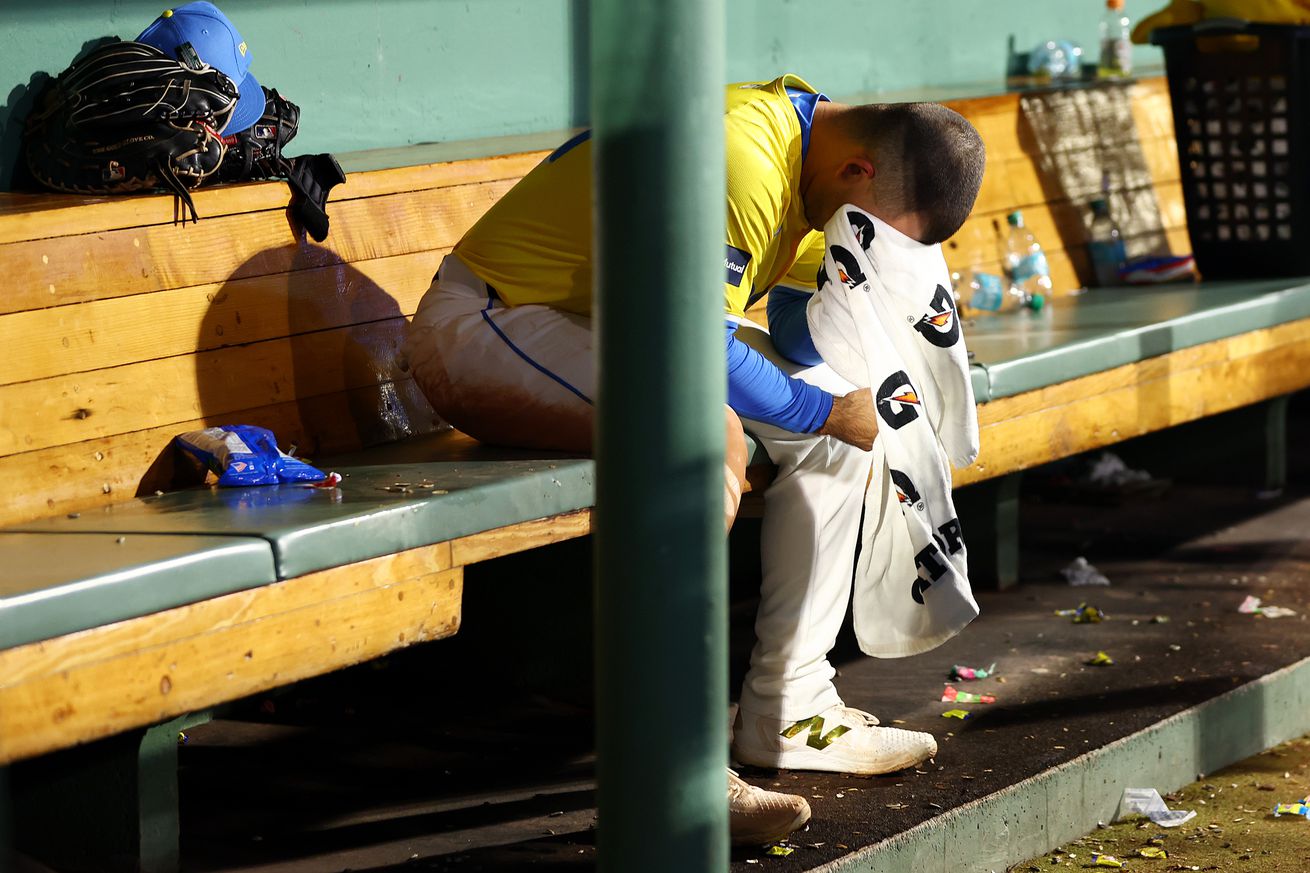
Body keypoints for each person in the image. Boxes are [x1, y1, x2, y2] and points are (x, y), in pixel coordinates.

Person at [403, 73, 984, 843]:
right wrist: (823, 407)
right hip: (488, 325)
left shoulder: (823, 162)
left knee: (837, 428)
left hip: (604, 329)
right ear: (861, 174)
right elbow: (697, 352)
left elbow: (788, 320)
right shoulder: (745, 156)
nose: (872, 239)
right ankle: (671, 763)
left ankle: (789, 707)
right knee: (702, 437)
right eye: (880, 226)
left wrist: (856, 311)